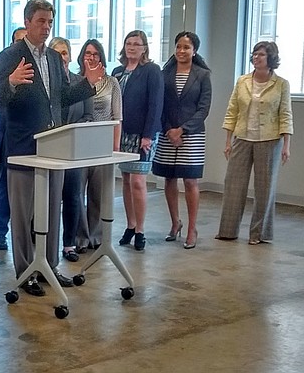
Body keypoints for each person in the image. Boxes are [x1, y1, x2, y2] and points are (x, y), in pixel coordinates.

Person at [0, 0, 101, 297]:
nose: (46, 27)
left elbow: (62, 98)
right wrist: (11, 82)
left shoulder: (54, 58)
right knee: (24, 212)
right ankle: (26, 271)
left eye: (50, 22)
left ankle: (49, 266)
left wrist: (88, 84)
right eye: (41, 21)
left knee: (51, 211)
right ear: (27, 22)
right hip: (23, 148)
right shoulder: (10, 56)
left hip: (54, 148)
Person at [216, 41, 293, 245]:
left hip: (269, 140)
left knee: (264, 188)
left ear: (271, 59)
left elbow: (285, 114)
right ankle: (227, 230)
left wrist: (286, 144)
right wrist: (227, 140)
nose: (257, 58)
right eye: (255, 54)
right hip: (242, 137)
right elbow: (232, 110)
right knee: (233, 184)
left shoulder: (282, 84)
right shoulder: (242, 81)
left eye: (262, 55)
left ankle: (259, 233)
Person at [152, 31, 212, 250]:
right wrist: (169, 129)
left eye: (186, 47)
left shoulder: (203, 75)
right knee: (169, 179)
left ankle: (191, 228)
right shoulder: (165, 73)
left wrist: (183, 130)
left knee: (190, 181)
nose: (181, 51)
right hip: (168, 133)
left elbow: (203, 109)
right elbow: (161, 105)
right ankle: (175, 223)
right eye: (178, 46)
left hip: (192, 135)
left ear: (194, 50)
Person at [112, 30, 164, 252]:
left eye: (136, 44)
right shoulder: (117, 72)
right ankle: (130, 225)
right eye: (128, 43)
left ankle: (141, 229)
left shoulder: (151, 71)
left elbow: (156, 103)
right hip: (122, 133)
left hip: (142, 134)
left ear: (144, 48)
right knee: (125, 179)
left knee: (138, 181)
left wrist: (148, 135)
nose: (131, 47)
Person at [48, 37, 93, 262]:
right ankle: (47, 248)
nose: (61, 58)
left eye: (64, 53)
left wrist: (76, 129)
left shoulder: (80, 83)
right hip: (51, 152)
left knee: (73, 197)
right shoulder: (46, 84)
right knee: (50, 200)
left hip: (74, 151)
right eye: (56, 53)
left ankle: (69, 245)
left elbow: (89, 115)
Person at [75, 39, 121, 252]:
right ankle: (80, 237)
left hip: (102, 145)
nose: (91, 57)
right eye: (87, 53)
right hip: (79, 143)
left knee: (98, 193)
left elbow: (117, 116)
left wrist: (115, 147)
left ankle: (96, 236)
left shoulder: (112, 83)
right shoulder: (75, 82)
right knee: (76, 193)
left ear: (101, 57)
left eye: (95, 53)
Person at [0, 26, 28, 250]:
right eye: (18, 41)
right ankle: (0, 232)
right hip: (10, 135)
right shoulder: (5, 63)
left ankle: (25, 234)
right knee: (5, 186)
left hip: (32, 138)